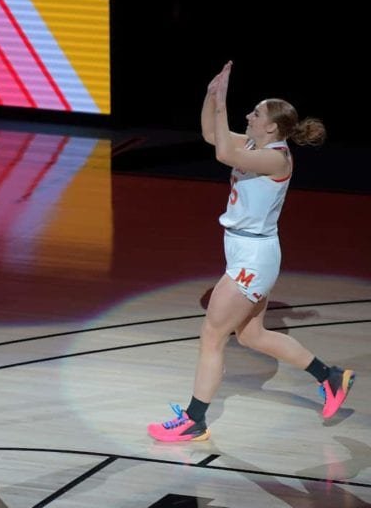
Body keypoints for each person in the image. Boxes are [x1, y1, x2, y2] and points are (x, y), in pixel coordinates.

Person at [148, 60, 354, 442]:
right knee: (252, 336)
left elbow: (224, 154)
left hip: (253, 259)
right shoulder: (254, 143)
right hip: (250, 253)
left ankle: (195, 420)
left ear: (272, 127)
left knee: (212, 334)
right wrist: (211, 95)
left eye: (255, 113)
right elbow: (213, 135)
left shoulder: (276, 157)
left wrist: (224, 99)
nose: (249, 115)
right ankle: (330, 377)